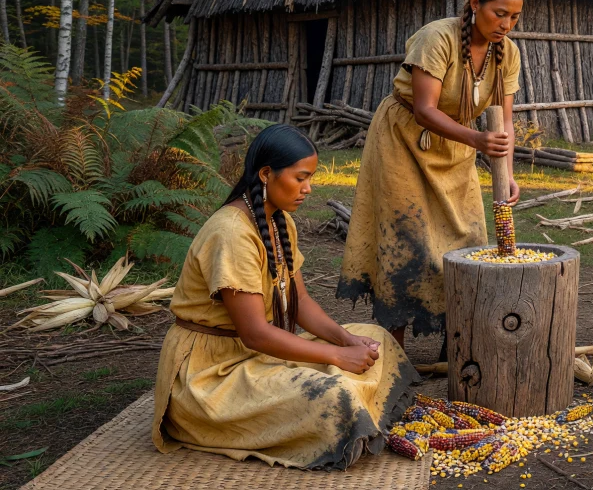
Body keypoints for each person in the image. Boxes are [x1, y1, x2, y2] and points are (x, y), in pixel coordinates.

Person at [153, 125, 417, 470]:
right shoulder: (231, 233)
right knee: (333, 396)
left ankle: (359, 410)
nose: (308, 188)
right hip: (210, 377)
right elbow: (256, 334)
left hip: (258, 356)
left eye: (310, 178)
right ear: (266, 174)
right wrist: (336, 355)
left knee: (376, 339)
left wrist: (348, 340)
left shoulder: (280, 221)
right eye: (301, 178)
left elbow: (300, 302)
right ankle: (353, 413)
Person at [338, 0, 524, 348]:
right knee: (409, 243)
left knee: (467, 240)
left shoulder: (508, 54)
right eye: (499, 13)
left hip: (456, 147)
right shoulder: (436, 38)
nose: (506, 24)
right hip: (403, 140)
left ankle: (457, 343)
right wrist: (476, 139)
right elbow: (424, 110)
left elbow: (504, 120)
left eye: (514, 17)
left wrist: (507, 172)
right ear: (475, 4)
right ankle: (394, 350)